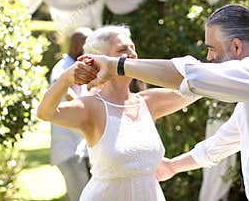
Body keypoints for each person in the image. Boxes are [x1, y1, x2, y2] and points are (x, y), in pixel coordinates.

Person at [78, 4, 249, 201]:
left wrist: (117, 65)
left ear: (236, 47)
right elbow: (221, 143)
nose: (209, 58)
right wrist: (173, 166)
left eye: (211, 49)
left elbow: (192, 76)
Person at [37, 25, 198, 201]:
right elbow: (45, 113)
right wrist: (66, 78)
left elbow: (197, 86)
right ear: (100, 61)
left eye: (133, 48)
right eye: (122, 49)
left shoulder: (149, 102)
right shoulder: (91, 107)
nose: (132, 54)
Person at [49, 27, 93, 201]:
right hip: (68, 149)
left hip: (81, 147)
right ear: (76, 48)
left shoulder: (77, 66)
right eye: (88, 47)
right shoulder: (62, 68)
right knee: (80, 197)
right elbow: (65, 89)